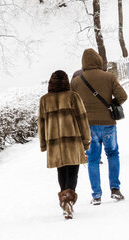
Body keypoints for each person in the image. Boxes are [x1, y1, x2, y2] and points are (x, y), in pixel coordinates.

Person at [71, 48, 128, 204]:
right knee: (113, 154)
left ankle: (96, 195)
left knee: (93, 160)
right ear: (98, 60)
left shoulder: (76, 81)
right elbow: (123, 96)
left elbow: (71, 104)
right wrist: (111, 105)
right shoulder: (108, 77)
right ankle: (115, 189)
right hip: (108, 123)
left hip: (88, 126)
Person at [38, 70, 91, 219]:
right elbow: (82, 119)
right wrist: (86, 141)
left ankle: (65, 200)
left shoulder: (44, 100)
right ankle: (68, 199)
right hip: (73, 141)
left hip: (55, 143)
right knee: (73, 171)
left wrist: (44, 144)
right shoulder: (73, 97)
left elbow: (41, 123)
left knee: (61, 171)